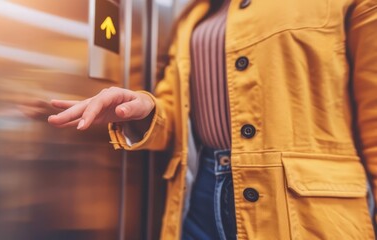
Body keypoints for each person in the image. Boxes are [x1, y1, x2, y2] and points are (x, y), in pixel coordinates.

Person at [48, 0, 377, 239]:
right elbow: (176, 110)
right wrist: (143, 108)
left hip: (305, 207)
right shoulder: (194, 15)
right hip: (200, 195)